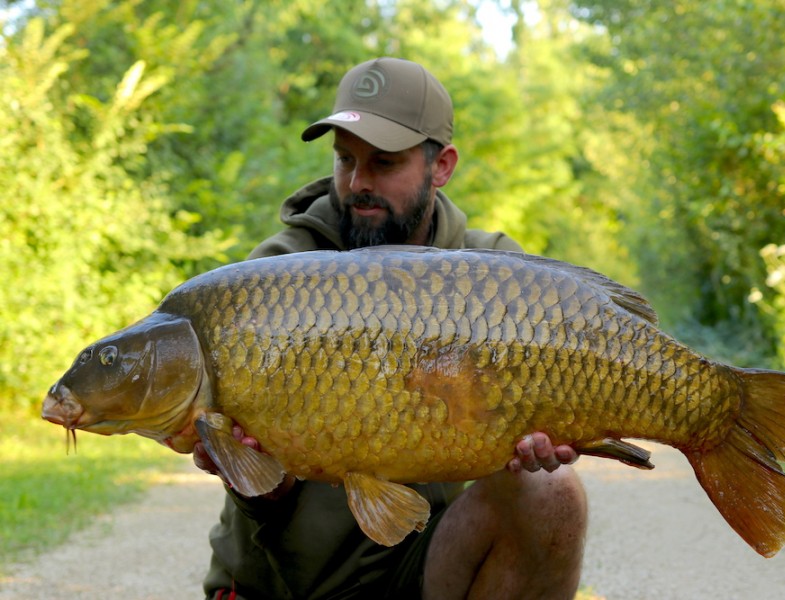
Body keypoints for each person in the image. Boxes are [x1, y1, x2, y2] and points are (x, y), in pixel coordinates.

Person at [194, 57, 588, 600]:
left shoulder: (495, 276)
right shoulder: (276, 276)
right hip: (286, 582)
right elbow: (263, 499)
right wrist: (253, 470)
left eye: (383, 162)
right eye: (344, 159)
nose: (358, 182)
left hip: (425, 566)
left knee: (552, 490)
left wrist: (544, 435)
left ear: (441, 165)